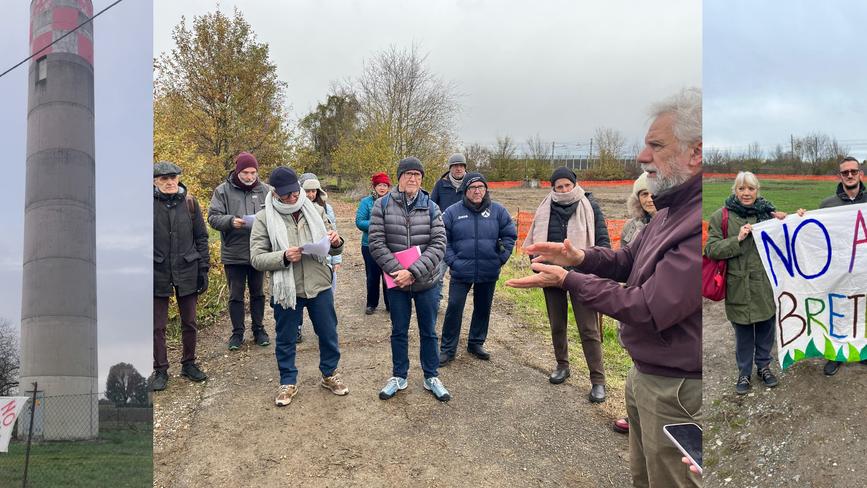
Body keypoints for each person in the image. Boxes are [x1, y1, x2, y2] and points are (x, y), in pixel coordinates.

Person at [507, 88, 703, 488]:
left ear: (696, 152)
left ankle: (596, 377)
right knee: (644, 476)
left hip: (677, 389)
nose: (642, 156)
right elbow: (628, 261)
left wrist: (569, 279)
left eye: (656, 145)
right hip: (647, 374)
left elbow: (648, 307)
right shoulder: (669, 212)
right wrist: (580, 258)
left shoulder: (697, 222)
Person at [249, 166, 349, 406]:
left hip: (319, 284)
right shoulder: (264, 218)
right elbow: (256, 258)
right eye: (286, 194)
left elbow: (333, 245)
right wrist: (282, 257)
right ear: (274, 193)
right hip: (288, 289)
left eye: (295, 192)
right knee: (285, 338)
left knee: (328, 332)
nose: (293, 197)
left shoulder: (314, 209)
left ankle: (329, 374)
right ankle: (287, 381)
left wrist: (336, 241)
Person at [523, 166, 610, 403]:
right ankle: (562, 365)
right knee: (557, 323)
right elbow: (535, 243)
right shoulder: (545, 208)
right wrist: (538, 265)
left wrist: (602, 266)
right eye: (558, 186)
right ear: (553, 188)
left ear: (574, 184)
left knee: (588, 329)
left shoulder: (589, 205)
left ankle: (598, 380)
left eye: (567, 185)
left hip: (583, 275)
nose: (563, 190)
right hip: (552, 274)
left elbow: (602, 239)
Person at [368, 157, 451, 401]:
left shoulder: (432, 207)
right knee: (399, 330)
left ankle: (431, 375)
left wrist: (413, 272)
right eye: (408, 174)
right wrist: (398, 272)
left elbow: (438, 244)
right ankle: (399, 376)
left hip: (427, 282)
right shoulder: (382, 205)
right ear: (399, 178)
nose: (413, 178)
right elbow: (376, 242)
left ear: (422, 179)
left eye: (417, 174)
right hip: (397, 283)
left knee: (429, 331)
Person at [705, 171, 790, 394]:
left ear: (757, 190)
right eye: (741, 188)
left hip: (764, 284)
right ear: (735, 190)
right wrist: (737, 239)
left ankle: (764, 367)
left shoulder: (768, 216)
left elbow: (788, 236)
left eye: (750, 188)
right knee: (743, 333)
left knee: (765, 328)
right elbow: (711, 249)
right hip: (738, 286)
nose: (746, 193)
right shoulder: (720, 216)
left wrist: (795, 218)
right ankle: (744, 372)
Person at [439, 172, 516, 364]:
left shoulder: (498, 211)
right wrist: (452, 261)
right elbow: (442, 238)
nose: (477, 191)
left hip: (488, 269)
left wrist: (501, 257)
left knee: (483, 307)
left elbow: (509, 234)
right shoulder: (452, 212)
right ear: (465, 190)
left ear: (486, 189)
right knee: (454, 308)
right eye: (473, 188)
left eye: (481, 187)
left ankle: (476, 343)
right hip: (460, 269)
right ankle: (448, 349)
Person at [152, 161, 209, 391]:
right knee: (157, 325)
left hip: (187, 269)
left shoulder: (190, 204)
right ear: (155, 181)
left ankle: (189, 363)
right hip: (157, 271)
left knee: (190, 321)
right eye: (163, 178)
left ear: (178, 178)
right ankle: (161, 370)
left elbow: (202, 238)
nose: (169, 182)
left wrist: (203, 268)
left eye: (173, 177)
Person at [207, 152, 271, 351]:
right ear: (237, 171)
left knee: (258, 293)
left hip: (258, 251)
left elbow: (276, 215)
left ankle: (259, 329)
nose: (250, 176)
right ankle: (237, 333)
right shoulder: (222, 191)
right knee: (235, 294)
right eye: (246, 172)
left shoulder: (267, 190)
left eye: (253, 172)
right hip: (234, 252)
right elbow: (213, 217)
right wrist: (231, 221)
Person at [613, 171, 657, 434]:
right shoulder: (632, 227)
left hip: (659, 299)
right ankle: (634, 415)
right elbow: (624, 261)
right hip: (635, 297)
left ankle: (654, 418)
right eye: (643, 193)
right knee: (635, 359)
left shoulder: (675, 225)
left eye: (652, 192)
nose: (649, 198)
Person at [818, 156, 867, 375]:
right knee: (838, 309)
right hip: (838, 268)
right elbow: (816, 235)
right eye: (845, 172)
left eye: (853, 171)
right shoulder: (828, 205)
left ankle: (863, 351)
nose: (849, 175)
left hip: (864, 267)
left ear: (860, 174)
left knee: (863, 309)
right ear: (840, 176)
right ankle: (835, 354)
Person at [356, 172, 392, 315]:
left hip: (389, 244)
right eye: (379, 185)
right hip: (369, 244)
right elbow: (360, 222)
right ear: (374, 186)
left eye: (385, 185)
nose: (382, 188)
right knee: (372, 275)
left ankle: (390, 304)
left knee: (389, 274)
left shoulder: (393, 201)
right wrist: (378, 223)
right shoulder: (366, 202)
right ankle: (372, 303)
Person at [621, 171, 657, 247]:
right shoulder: (630, 226)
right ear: (638, 199)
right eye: (645, 194)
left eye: (654, 194)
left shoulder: (673, 224)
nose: (649, 199)